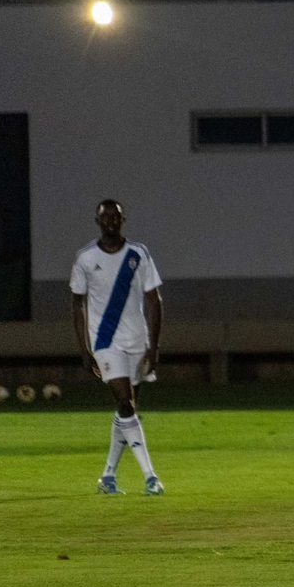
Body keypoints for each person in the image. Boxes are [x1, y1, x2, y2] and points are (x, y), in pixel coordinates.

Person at [71, 199, 165, 496]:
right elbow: (78, 305)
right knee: (125, 404)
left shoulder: (138, 254)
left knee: (128, 409)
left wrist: (154, 345)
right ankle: (150, 477)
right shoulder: (85, 258)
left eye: (115, 216)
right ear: (97, 221)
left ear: (124, 219)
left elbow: (154, 300)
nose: (110, 220)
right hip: (105, 341)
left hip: (137, 341)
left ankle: (108, 476)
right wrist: (85, 350)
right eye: (105, 216)